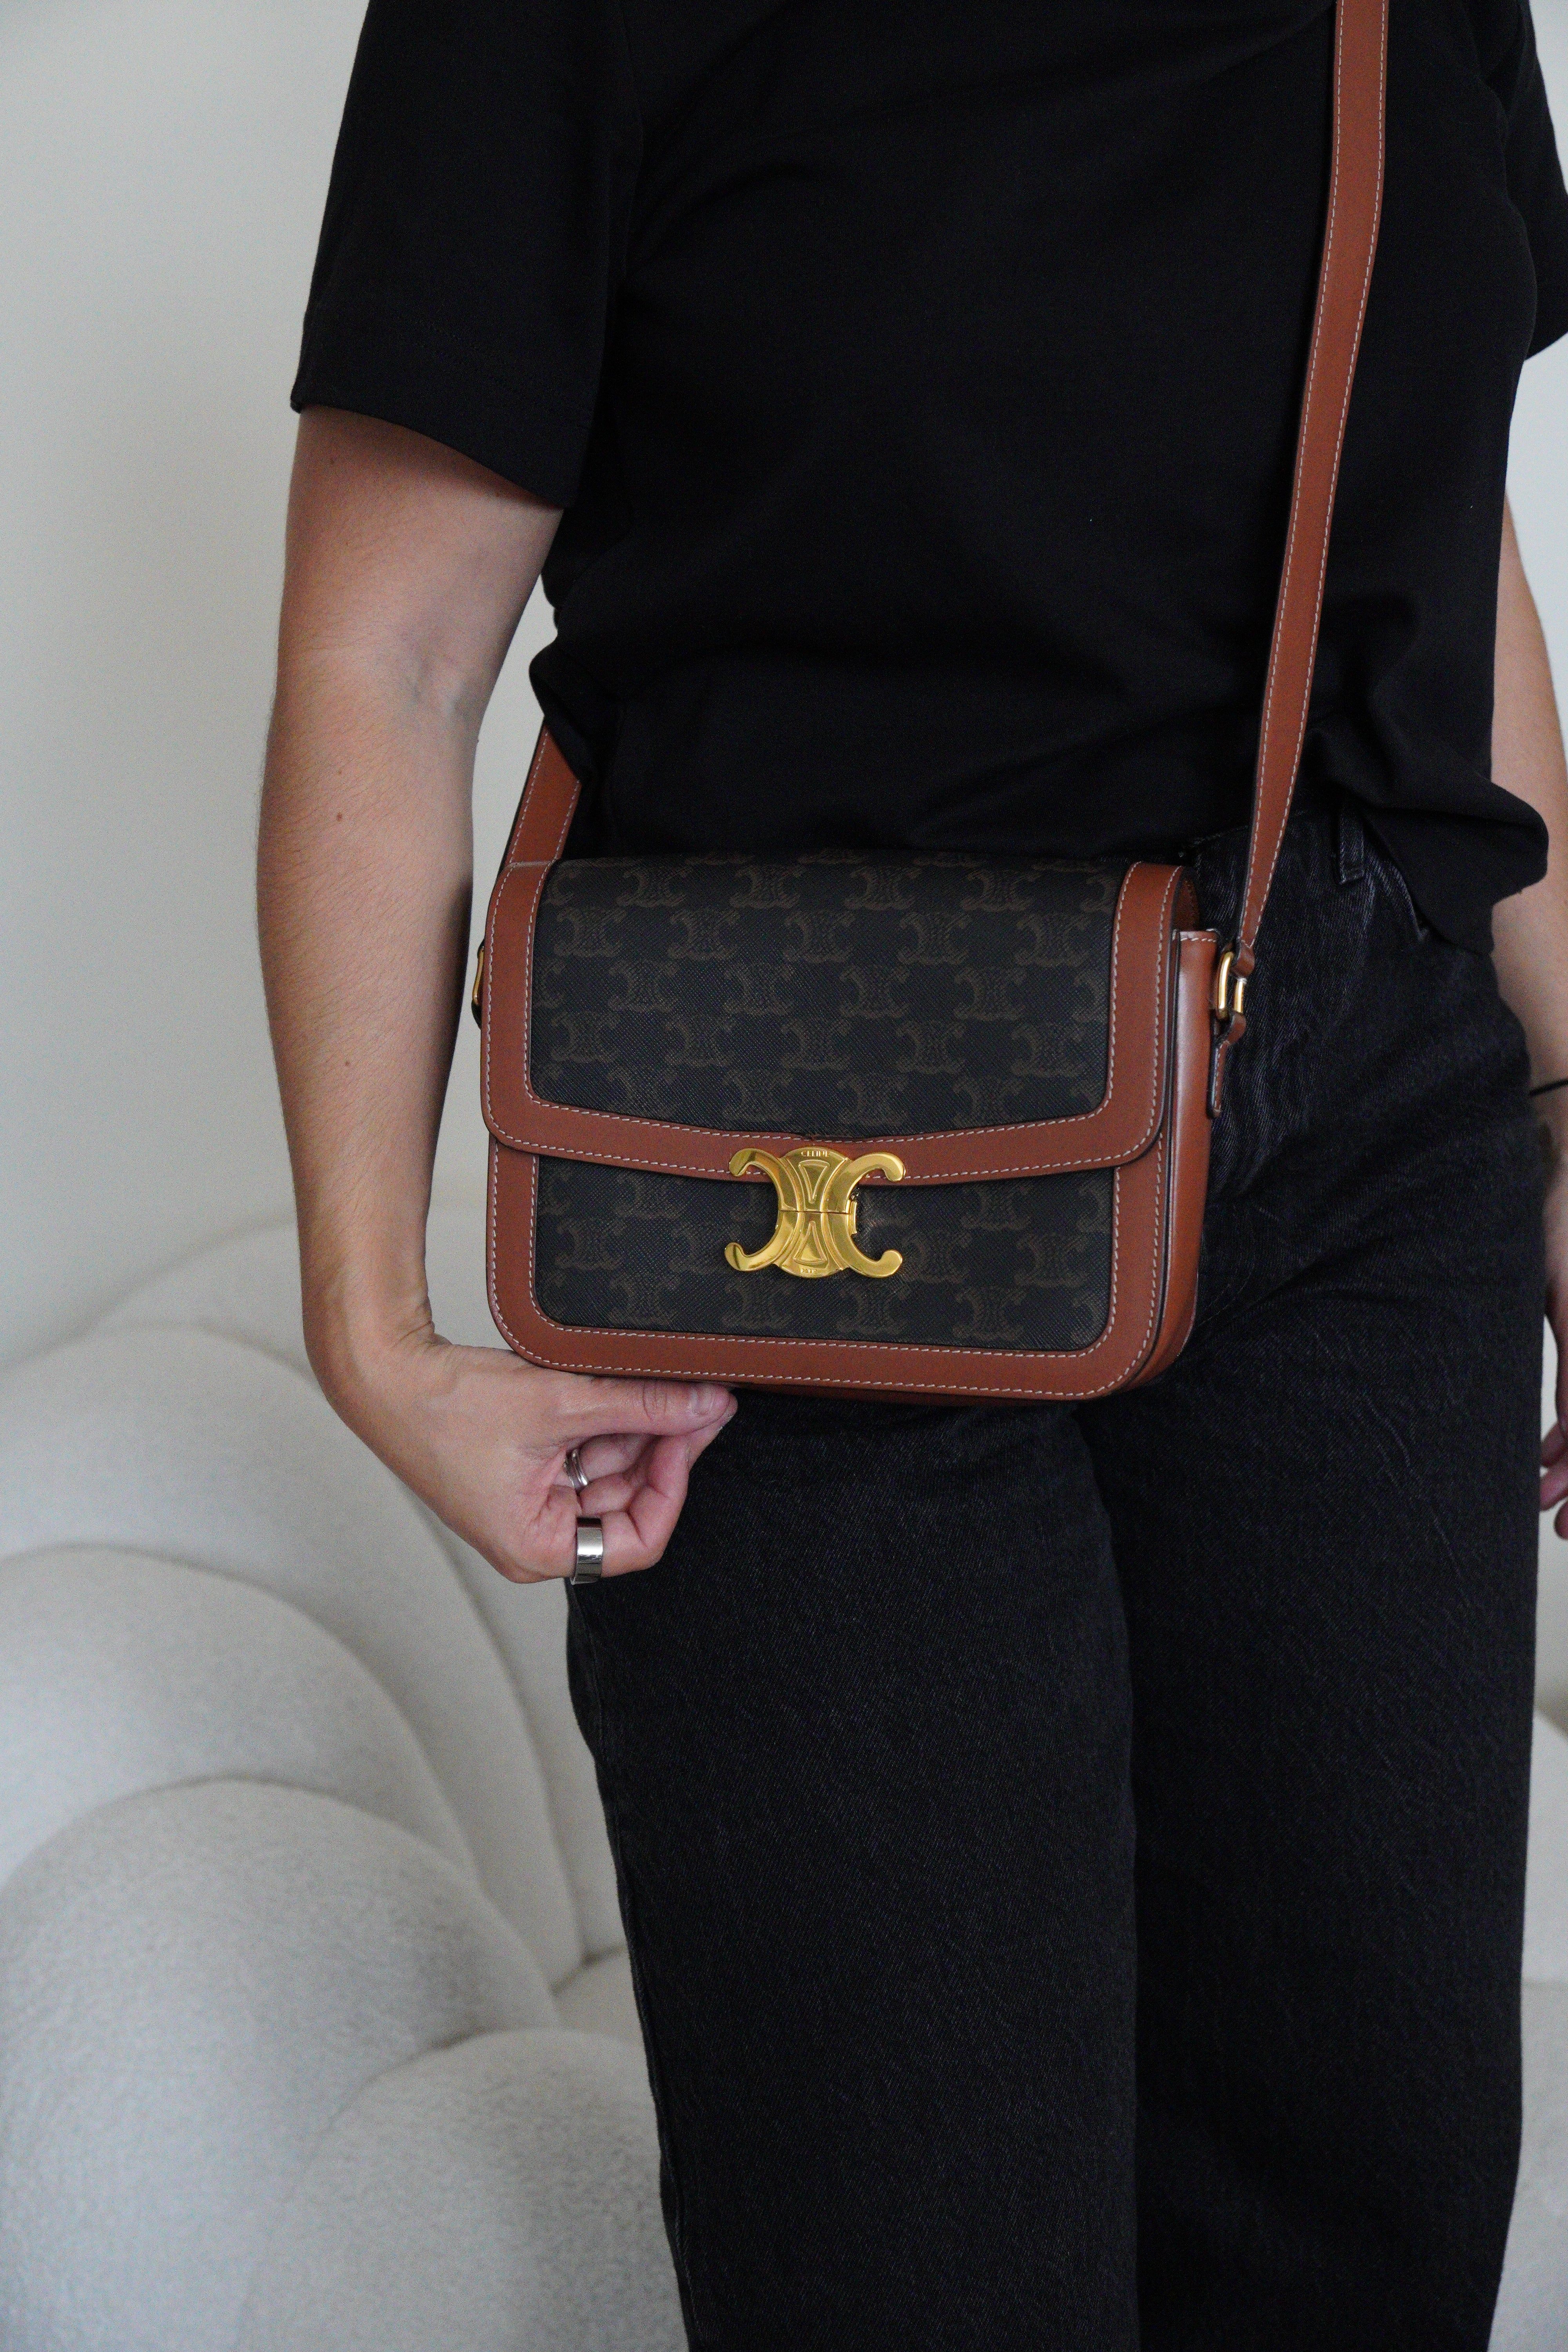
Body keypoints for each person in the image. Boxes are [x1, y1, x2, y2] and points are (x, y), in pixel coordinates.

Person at [258, 2, 1568, 2344]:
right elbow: (391, 661)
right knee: (911, 2248)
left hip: (1368, 1144)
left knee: (1366, 2207)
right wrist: (371, 1320)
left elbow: (1431, 540)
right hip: (805, 1172)